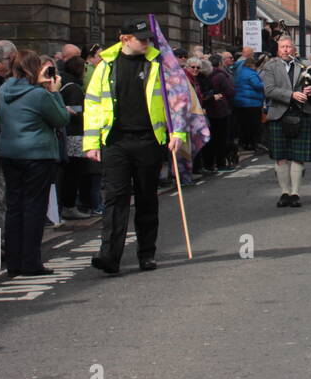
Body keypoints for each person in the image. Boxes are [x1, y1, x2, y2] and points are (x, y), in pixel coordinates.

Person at [85, 18, 185, 275]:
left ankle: (146, 253)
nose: (147, 42)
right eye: (141, 38)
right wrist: (91, 143)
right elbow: (93, 105)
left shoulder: (159, 63)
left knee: (146, 198)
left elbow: (176, 99)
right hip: (115, 141)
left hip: (148, 140)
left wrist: (178, 132)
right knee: (115, 199)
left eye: (148, 38)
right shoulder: (105, 66)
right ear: (125, 39)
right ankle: (110, 255)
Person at [0, 50, 70, 276]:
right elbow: (61, 118)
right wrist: (55, 92)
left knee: (14, 207)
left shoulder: (3, 90)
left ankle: (14, 262)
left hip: (9, 153)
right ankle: (31, 262)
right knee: (33, 207)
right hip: (36, 155)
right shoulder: (39, 95)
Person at [260, 36, 311, 208]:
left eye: (288, 47)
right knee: (281, 157)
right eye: (282, 47)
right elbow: (268, 90)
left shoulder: (306, 65)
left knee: (298, 157)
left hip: (302, 113)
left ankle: (295, 193)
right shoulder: (270, 67)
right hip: (279, 114)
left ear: (294, 49)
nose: (285, 50)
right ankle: (284, 192)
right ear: (278, 49)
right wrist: (290, 95)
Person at [57, 54, 92, 220]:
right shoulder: (74, 89)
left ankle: (69, 204)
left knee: (71, 172)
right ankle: (69, 206)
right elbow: (76, 112)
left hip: (70, 135)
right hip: (75, 136)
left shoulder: (65, 85)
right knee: (74, 172)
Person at [199, 55, 234, 174]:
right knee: (220, 138)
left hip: (209, 112)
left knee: (211, 139)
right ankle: (220, 163)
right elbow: (230, 91)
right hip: (219, 111)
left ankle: (210, 164)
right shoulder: (220, 76)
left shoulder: (204, 78)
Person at [232, 52, 265, 154]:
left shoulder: (240, 72)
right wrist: (266, 83)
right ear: (252, 65)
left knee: (244, 125)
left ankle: (245, 143)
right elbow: (258, 86)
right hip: (251, 103)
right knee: (254, 126)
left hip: (240, 102)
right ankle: (254, 144)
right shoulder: (251, 73)